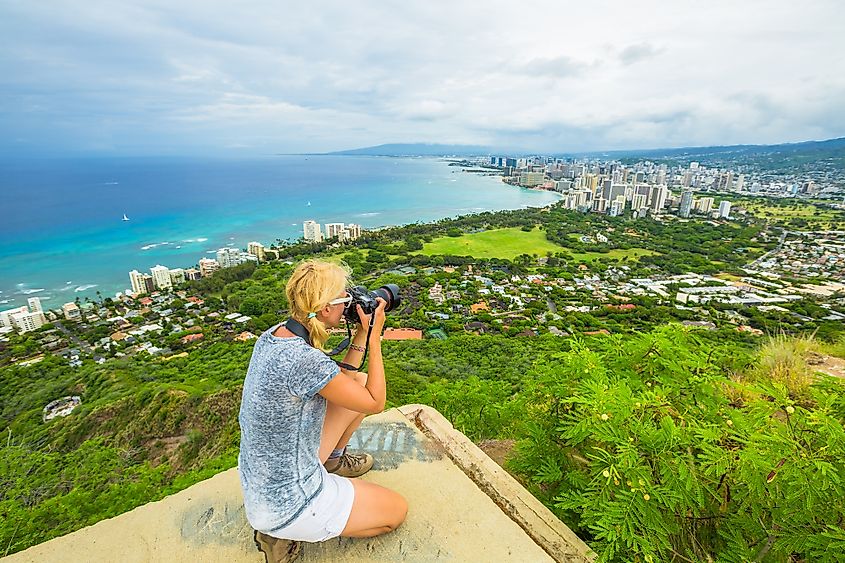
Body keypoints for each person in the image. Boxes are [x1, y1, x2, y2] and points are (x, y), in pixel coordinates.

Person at [238, 259, 408, 561]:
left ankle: (330, 461)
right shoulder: (303, 360)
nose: (349, 305)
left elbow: (342, 384)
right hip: (287, 501)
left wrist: (361, 334)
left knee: (358, 380)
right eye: (345, 299)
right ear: (326, 307)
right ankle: (282, 534)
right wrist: (376, 337)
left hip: (261, 481)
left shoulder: (275, 336)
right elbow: (374, 402)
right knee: (395, 511)